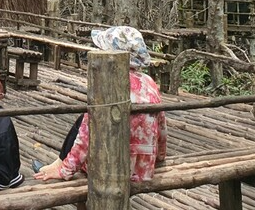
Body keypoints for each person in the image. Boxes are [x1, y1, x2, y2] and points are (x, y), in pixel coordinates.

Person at [33, 26, 166, 183]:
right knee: (85, 118)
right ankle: (59, 162)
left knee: (86, 122)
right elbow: (161, 126)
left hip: (111, 166)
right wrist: (159, 158)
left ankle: (60, 165)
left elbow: (86, 137)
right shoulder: (149, 82)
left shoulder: (108, 85)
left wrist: (66, 170)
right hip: (143, 165)